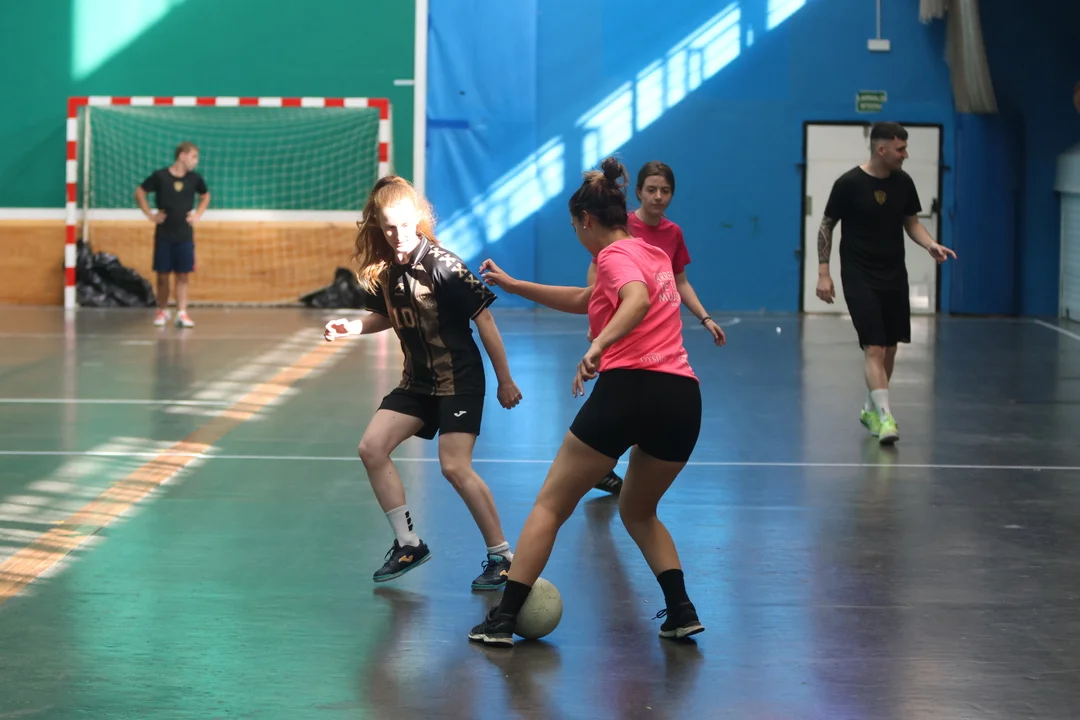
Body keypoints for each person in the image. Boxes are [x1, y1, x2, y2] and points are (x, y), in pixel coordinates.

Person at [468, 157, 704, 647]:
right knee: (639, 511)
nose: (577, 234)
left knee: (551, 506)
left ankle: (504, 619)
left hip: (630, 389)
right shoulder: (652, 253)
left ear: (586, 220)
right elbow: (588, 299)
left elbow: (635, 301)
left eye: (575, 226)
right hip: (682, 399)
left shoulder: (615, 257)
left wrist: (598, 346)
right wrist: (515, 286)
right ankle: (681, 610)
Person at [323, 175, 523, 591]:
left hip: (458, 380)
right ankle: (408, 543)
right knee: (371, 448)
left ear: (417, 218)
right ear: (379, 225)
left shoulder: (443, 265)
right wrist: (351, 327)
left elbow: (484, 320)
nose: (397, 235)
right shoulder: (386, 271)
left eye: (403, 225)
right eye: (388, 227)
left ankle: (503, 556)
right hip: (417, 382)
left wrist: (505, 380)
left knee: (454, 467)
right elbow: (384, 316)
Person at [585, 161, 725, 495]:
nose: (658, 197)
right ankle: (599, 464)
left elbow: (679, 281)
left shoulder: (672, 233)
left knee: (644, 402)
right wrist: (599, 323)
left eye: (665, 191)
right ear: (638, 192)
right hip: (621, 328)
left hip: (653, 333)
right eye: (651, 190)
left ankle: (624, 472)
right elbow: (598, 277)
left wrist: (705, 317)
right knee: (615, 395)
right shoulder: (621, 226)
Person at [815, 122, 956, 444]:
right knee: (874, 346)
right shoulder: (848, 183)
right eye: (900, 149)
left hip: (893, 274)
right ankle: (886, 417)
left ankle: (871, 408)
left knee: (890, 347)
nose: (905, 155)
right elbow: (826, 226)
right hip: (859, 275)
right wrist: (824, 272)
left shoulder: (904, 182)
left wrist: (931, 244)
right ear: (882, 149)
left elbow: (912, 222)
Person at [134, 141, 210, 328]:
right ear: (182, 156)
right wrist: (150, 215)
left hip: (184, 235)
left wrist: (198, 214)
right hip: (164, 234)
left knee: (183, 275)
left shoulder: (195, 179)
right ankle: (162, 310)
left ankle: (182, 313)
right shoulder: (160, 176)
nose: (196, 161)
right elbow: (140, 192)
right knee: (162, 275)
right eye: (193, 156)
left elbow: (205, 195)